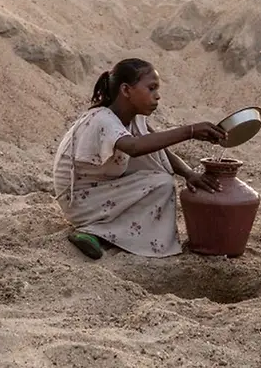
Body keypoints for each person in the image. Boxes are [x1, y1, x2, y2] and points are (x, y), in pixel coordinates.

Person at [52, 58, 228, 260]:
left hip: (100, 187)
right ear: (126, 90)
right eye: (151, 88)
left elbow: (161, 152)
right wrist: (190, 131)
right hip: (79, 201)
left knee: (158, 166)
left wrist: (189, 174)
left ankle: (103, 232)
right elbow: (135, 148)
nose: (157, 96)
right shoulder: (103, 119)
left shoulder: (135, 119)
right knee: (161, 181)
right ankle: (95, 232)